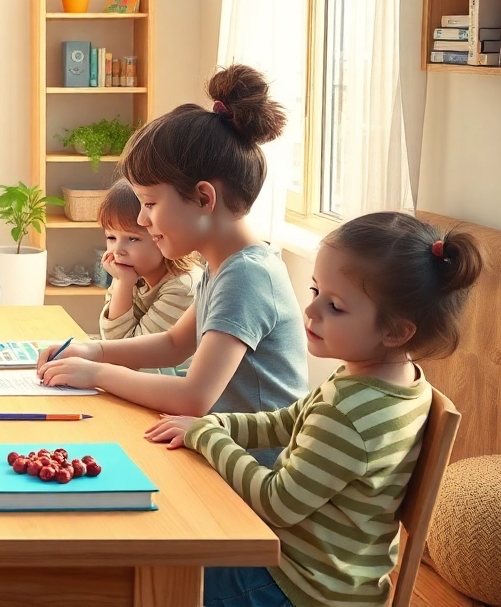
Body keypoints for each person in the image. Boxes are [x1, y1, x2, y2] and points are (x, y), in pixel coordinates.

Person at [146, 212, 482, 607]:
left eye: (335, 306)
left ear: (396, 331)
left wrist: (207, 436)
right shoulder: (393, 383)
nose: (311, 310)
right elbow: (284, 421)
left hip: (302, 589)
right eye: (315, 290)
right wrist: (215, 423)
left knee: (159, 574)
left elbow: (277, 502)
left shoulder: (350, 412)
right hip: (327, 578)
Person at [39, 65, 307, 465]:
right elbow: (174, 344)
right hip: (221, 452)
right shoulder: (225, 265)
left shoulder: (247, 275)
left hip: (255, 472)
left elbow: (194, 398)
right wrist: (92, 351)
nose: (144, 221)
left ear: (203, 198)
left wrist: (95, 374)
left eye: (150, 204)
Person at [96, 178, 201, 375]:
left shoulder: (183, 287)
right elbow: (113, 346)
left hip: (169, 388)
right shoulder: (131, 273)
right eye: (111, 237)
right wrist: (123, 283)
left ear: (161, 235)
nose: (118, 250)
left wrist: (123, 283)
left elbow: (129, 359)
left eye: (133, 238)